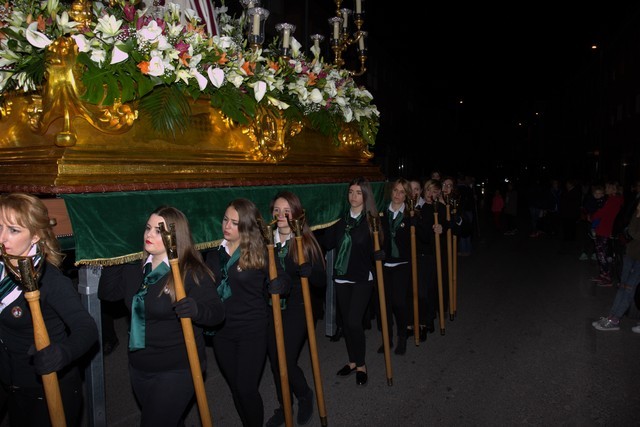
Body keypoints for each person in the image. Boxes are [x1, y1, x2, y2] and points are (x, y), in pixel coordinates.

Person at [99, 205, 225, 427]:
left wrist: (196, 310)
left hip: (178, 367)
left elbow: (217, 314)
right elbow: (108, 294)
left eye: (159, 231)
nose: (149, 235)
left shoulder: (189, 271)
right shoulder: (136, 268)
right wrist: (115, 253)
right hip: (140, 364)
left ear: (175, 237)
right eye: (148, 228)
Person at [0, 193, 99, 427]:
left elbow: (87, 328)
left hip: (47, 388)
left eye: (13, 230)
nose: (2, 237)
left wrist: (62, 353)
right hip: (11, 384)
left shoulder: (50, 280)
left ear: (35, 235)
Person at [205, 198, 290, 427]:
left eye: (234, 222)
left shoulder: (260, 251)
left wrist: (280, 284)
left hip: (252, 329)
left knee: (246, 388)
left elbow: (282, 277)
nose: (227, 226)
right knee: (236, 388)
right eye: (225, 220)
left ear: (246, 225)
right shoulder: (215, 254)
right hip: (222, 331)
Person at [264, 191, 326, 427]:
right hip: (271, 307)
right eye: (276, 211)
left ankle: (304, 394)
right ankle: (284, 406)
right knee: (274, 362)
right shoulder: (267, 240)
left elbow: (321, 281)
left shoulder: (304, 241)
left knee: (286, 361)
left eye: (286, 211)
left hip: (298, 307)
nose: (280, 215)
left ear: (296, 213)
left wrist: (310, 271)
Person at [321, 177, 382, 387]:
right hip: (341, 276)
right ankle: (353, 361)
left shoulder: (371, 220)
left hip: (362, 278)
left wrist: (379, 252)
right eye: (350, 192)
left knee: (355, 321)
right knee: (346, 323)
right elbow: (329, 243)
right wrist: (329, 220)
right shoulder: (340, 219)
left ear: (365, 195)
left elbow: (378, 249)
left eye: (358, 192)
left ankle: (362, 364)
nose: (353, 197)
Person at [376, 178, 413, 355]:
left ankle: (403, 336)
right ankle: (387, 339)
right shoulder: (382, 213)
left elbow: (420, 239)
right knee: (385, 304)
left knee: (399, 302)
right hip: (385, 264)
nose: (398, 195)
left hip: (402, 264)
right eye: (395, 191)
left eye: (402, 192)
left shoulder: (411, 214)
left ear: (406, 195)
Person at [593, 200, 640, 331]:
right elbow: (630, 231)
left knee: (629, 289)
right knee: (622, 287)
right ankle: (611, 316)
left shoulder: (637, 215)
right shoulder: (636, 214)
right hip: (630, 254)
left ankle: (615, 320)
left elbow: (633, 232)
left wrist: (633, 225)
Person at [591, 181, 624, 286]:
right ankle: (602, 274)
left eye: (608, 187)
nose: (605, 189)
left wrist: (592, 217)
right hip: (602, 228)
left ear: (613, 189)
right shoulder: (611, 198)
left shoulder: (614, 200)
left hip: (605, 229)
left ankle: (607, 277)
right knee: (600, 253)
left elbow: (604, 212)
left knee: (602, 254)